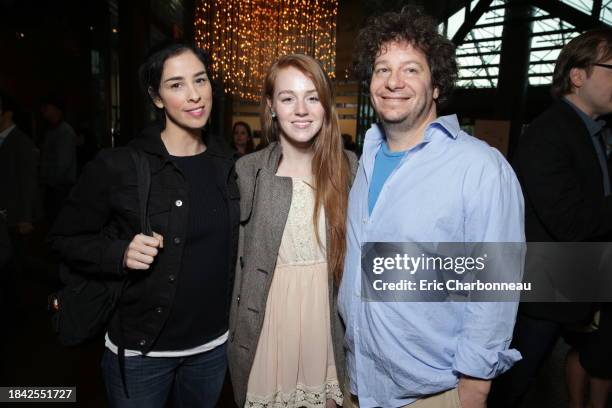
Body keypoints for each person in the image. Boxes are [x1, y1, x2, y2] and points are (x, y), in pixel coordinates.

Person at [337, 7, 525, 408]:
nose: (393, 82)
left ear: (436, 84)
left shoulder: (480, 167)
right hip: (358, 379)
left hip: (433, 390)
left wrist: (475, 384)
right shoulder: (364, 157)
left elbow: (497, 280)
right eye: (382, 69)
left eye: (411, 70)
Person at [50, 42, 239, 408]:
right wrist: (119, 252)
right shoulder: (119, 166)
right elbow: (62, 238)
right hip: (142, 354)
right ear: (156, 98)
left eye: (200, 80)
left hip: (213, 349)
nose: (194, 94)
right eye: (176, 84)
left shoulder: (228, 162)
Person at [490, 28, 612, 408]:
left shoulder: (591, 131)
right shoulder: (550, 134)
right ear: (578, 76)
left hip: (575, 281)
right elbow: (569, 223)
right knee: (513, 384)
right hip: (543, 291)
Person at [228, 54, 357, 408]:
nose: (301, 109)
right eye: (288, 98)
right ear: (271, 107)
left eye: (312, 97)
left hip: (325, 323)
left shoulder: (347, 168)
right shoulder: (248, 171)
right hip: (269, 322)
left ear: (326, 105)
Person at [39, 97, 77, 222]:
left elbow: (63, 164)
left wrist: (51, 180)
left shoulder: (65, 132)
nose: (44, 111)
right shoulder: (51, 131)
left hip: (60, 187)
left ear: (56, 109)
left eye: (47, 107)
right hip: (52, 186)